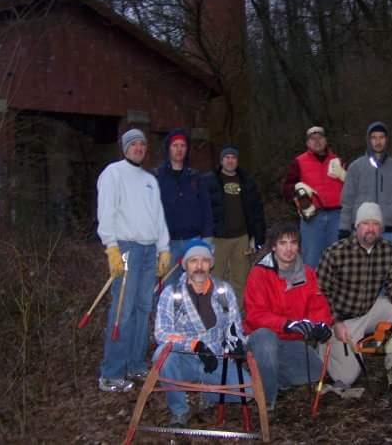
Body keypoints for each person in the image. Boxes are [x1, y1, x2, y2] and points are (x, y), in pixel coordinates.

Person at [96, 128, 170, 392]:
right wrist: (112, 248)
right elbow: (106, 212)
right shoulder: (112, 173)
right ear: (125, 148)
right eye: (133, 144)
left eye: (142, 144)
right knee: (122, 311)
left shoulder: (150, 179)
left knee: (143, 308)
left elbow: (158, 217)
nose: (138, 148)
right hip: (127, 248)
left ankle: (135, 364)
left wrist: (164, 250)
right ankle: (111, 372)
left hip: (150, 251)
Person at [154, 238, 248, 427]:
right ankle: (179, 410)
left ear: (210, 264)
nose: (199, 266)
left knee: (249, 392)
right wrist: (194, 345)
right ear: (185, 265)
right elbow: (162, 333)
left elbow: (234, 326)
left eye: (204, 261)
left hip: (216, 359)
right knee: (161, 355)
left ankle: (208, 393)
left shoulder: (224, 291)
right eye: (193, 261)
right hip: (184, 359)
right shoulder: (171, 294)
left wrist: (237, 343)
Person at [317, 202, 392, 390]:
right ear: (356, 226)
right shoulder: (335, 253)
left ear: (381, 228)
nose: (370, 229)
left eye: (375, 224)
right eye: (365, 223)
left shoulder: (389, 251)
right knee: (347, 378)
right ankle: (325, 345)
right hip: (343, 318)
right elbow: (320, 293)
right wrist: (335, 322)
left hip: (369, 308)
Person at [243, 222, 333, 410]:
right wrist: (286, 324)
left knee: (317, 371)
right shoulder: (259, 273)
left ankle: (265, 375)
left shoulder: (306, 273)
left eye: (293, 243)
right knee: (266, 341)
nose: (289, 249)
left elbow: (317, 306)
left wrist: (321, 326)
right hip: (262, 338)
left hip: (291, 341)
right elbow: (254, 314)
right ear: (274, 246)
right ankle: (267, 402)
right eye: (282, 243)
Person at [205, 145, 266, 305]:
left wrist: (257, 236)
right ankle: (215, 312)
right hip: (219, 238)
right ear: (221, 160)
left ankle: (237, 313)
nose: (230, 160)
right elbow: (203, 208)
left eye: (233, 157)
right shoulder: (209, 181)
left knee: (241, 278)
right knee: (216, 277)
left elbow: (256, 210)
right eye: (227, 157)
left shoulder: (247, 182)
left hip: (242, 237)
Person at [154, 128, 213, 287]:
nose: (179, 149)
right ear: (169, 149)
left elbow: (206, 208)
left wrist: (207, 237)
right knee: (168, 285)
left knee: (194, 284)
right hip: (168, 243)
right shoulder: (158, 177)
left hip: (193, 240)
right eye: (175, 145)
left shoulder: (195, 177)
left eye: (183, 145)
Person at [281, 126, 345, 268]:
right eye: (312, 139)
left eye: (320, 138)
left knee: (337, 259)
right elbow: (286, 189)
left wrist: (345, 177)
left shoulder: (337, 160)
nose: (317, 141)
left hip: (337, 216)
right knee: (311, 259)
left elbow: (352, 190)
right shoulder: (299, 162)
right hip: (312, 217)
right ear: (307, 143)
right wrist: (297, 188)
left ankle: (333, 290)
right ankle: (311, 290)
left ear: (325, 140)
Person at [339, 121, 392, 245]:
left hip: (389, 230)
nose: (378, 141)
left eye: (381, 137)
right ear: (368, 140)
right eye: (374, 137)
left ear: (387, 139)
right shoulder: (356, 167)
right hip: (361, 230)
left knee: (388, 264)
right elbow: (347, 201)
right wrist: (344, 227)